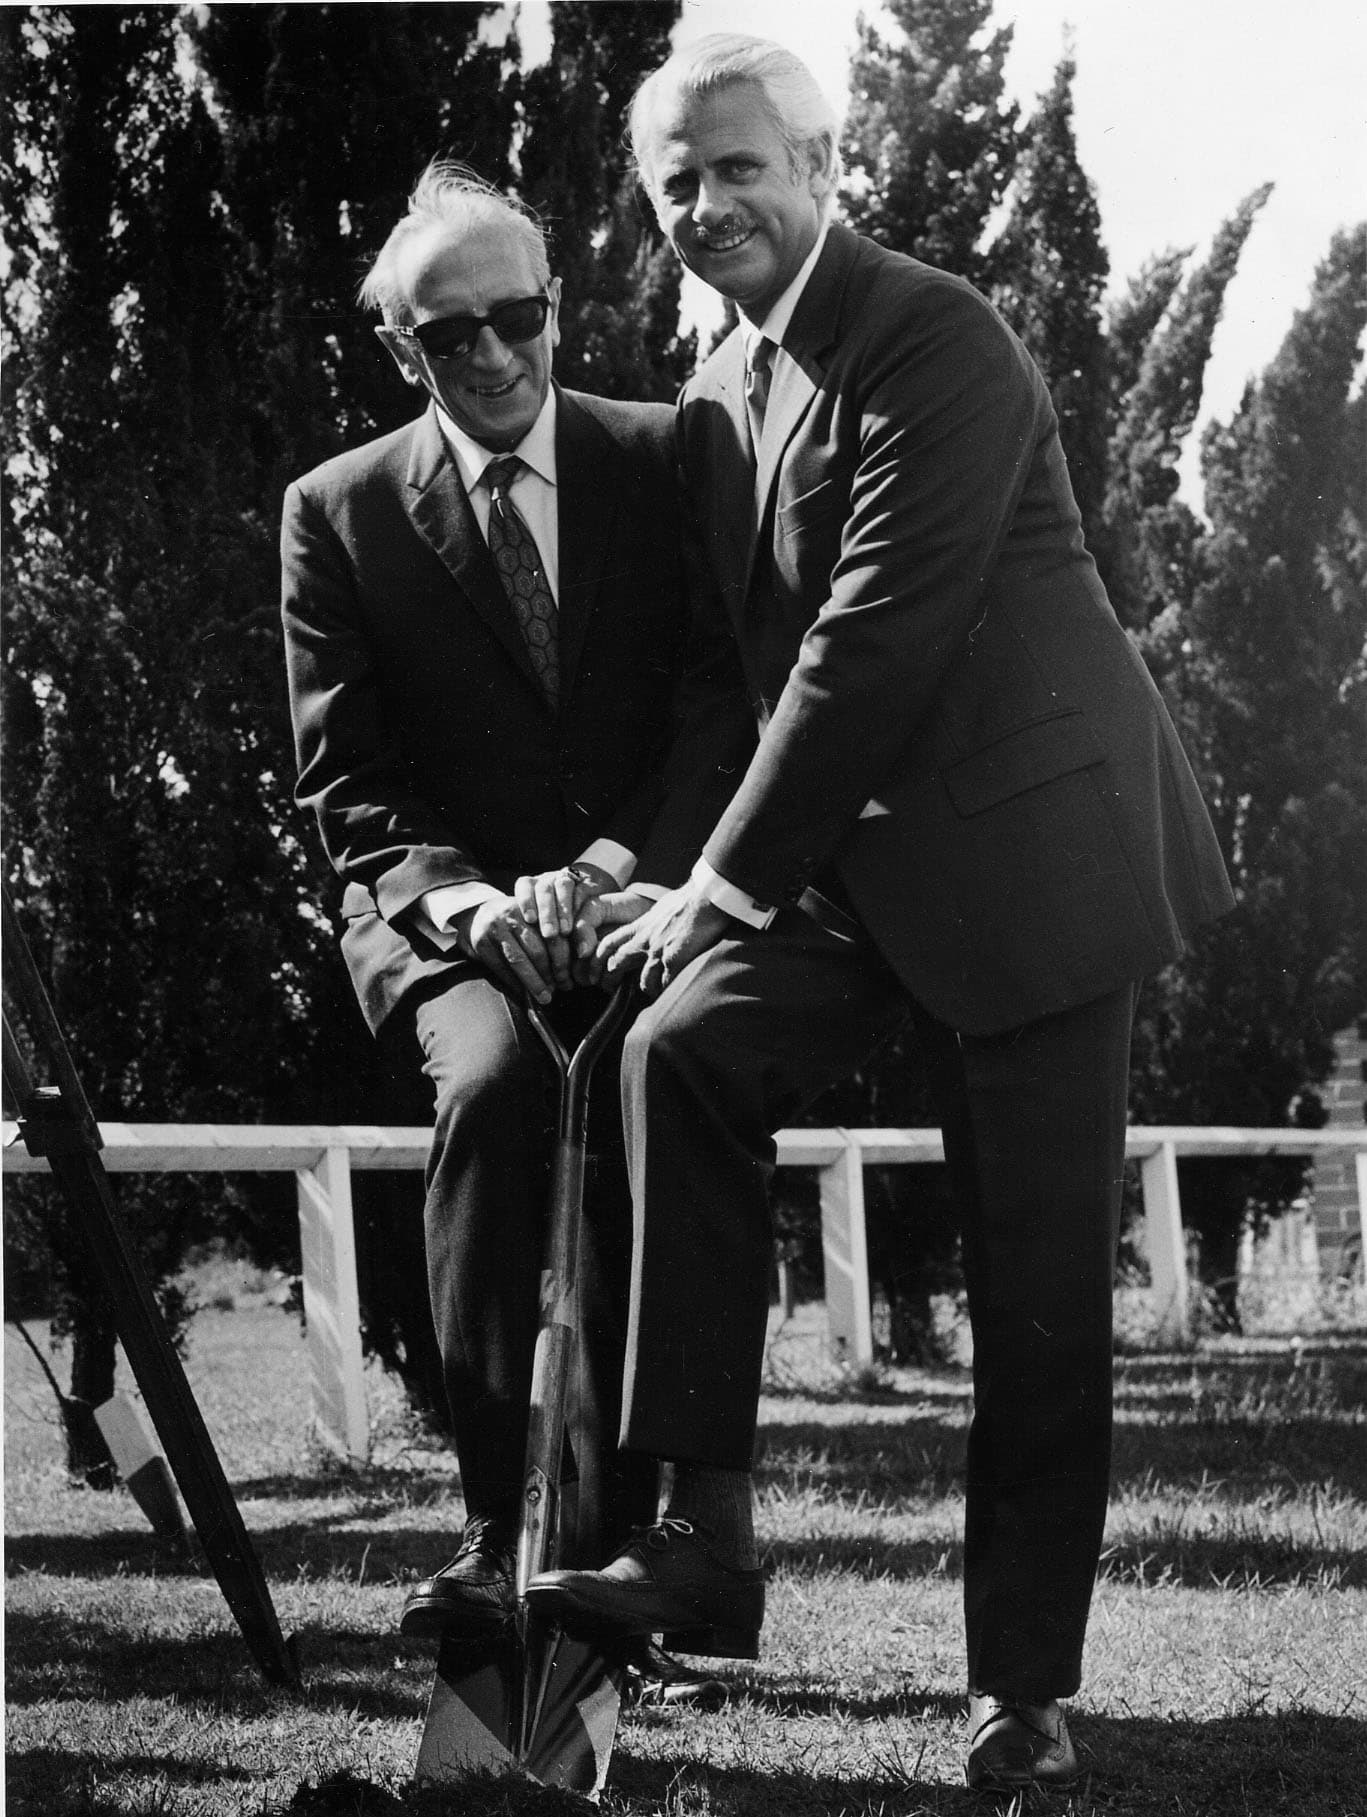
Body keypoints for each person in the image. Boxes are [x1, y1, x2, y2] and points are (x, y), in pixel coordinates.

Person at [524, 35, 1235, 1788]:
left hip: (1039, 865)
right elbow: (732, 685)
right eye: (676, 183)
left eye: (738, 169)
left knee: (1039, 1291)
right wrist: (642, 864)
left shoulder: (939, 335)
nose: (706, 209)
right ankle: (707, 1529)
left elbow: (874, 638)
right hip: (857, 872)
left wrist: (724, 882)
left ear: (829, 165)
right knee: (679, 1049)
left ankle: (1021, 1688)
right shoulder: (720, 394)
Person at [280, 161, 717, 1705]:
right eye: (442, 334)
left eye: (513, 317)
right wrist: (473, 902)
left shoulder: (668, 460)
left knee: (636, 1098)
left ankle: (602, 1562)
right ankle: (487, 1527)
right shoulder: (333, 512)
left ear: (559, 308)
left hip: (630, 890)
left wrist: (605, 873)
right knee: (499, 1088)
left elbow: (716, 705)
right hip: (436, 915)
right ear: (401, 346)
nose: (487, 355)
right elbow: (346, 780)